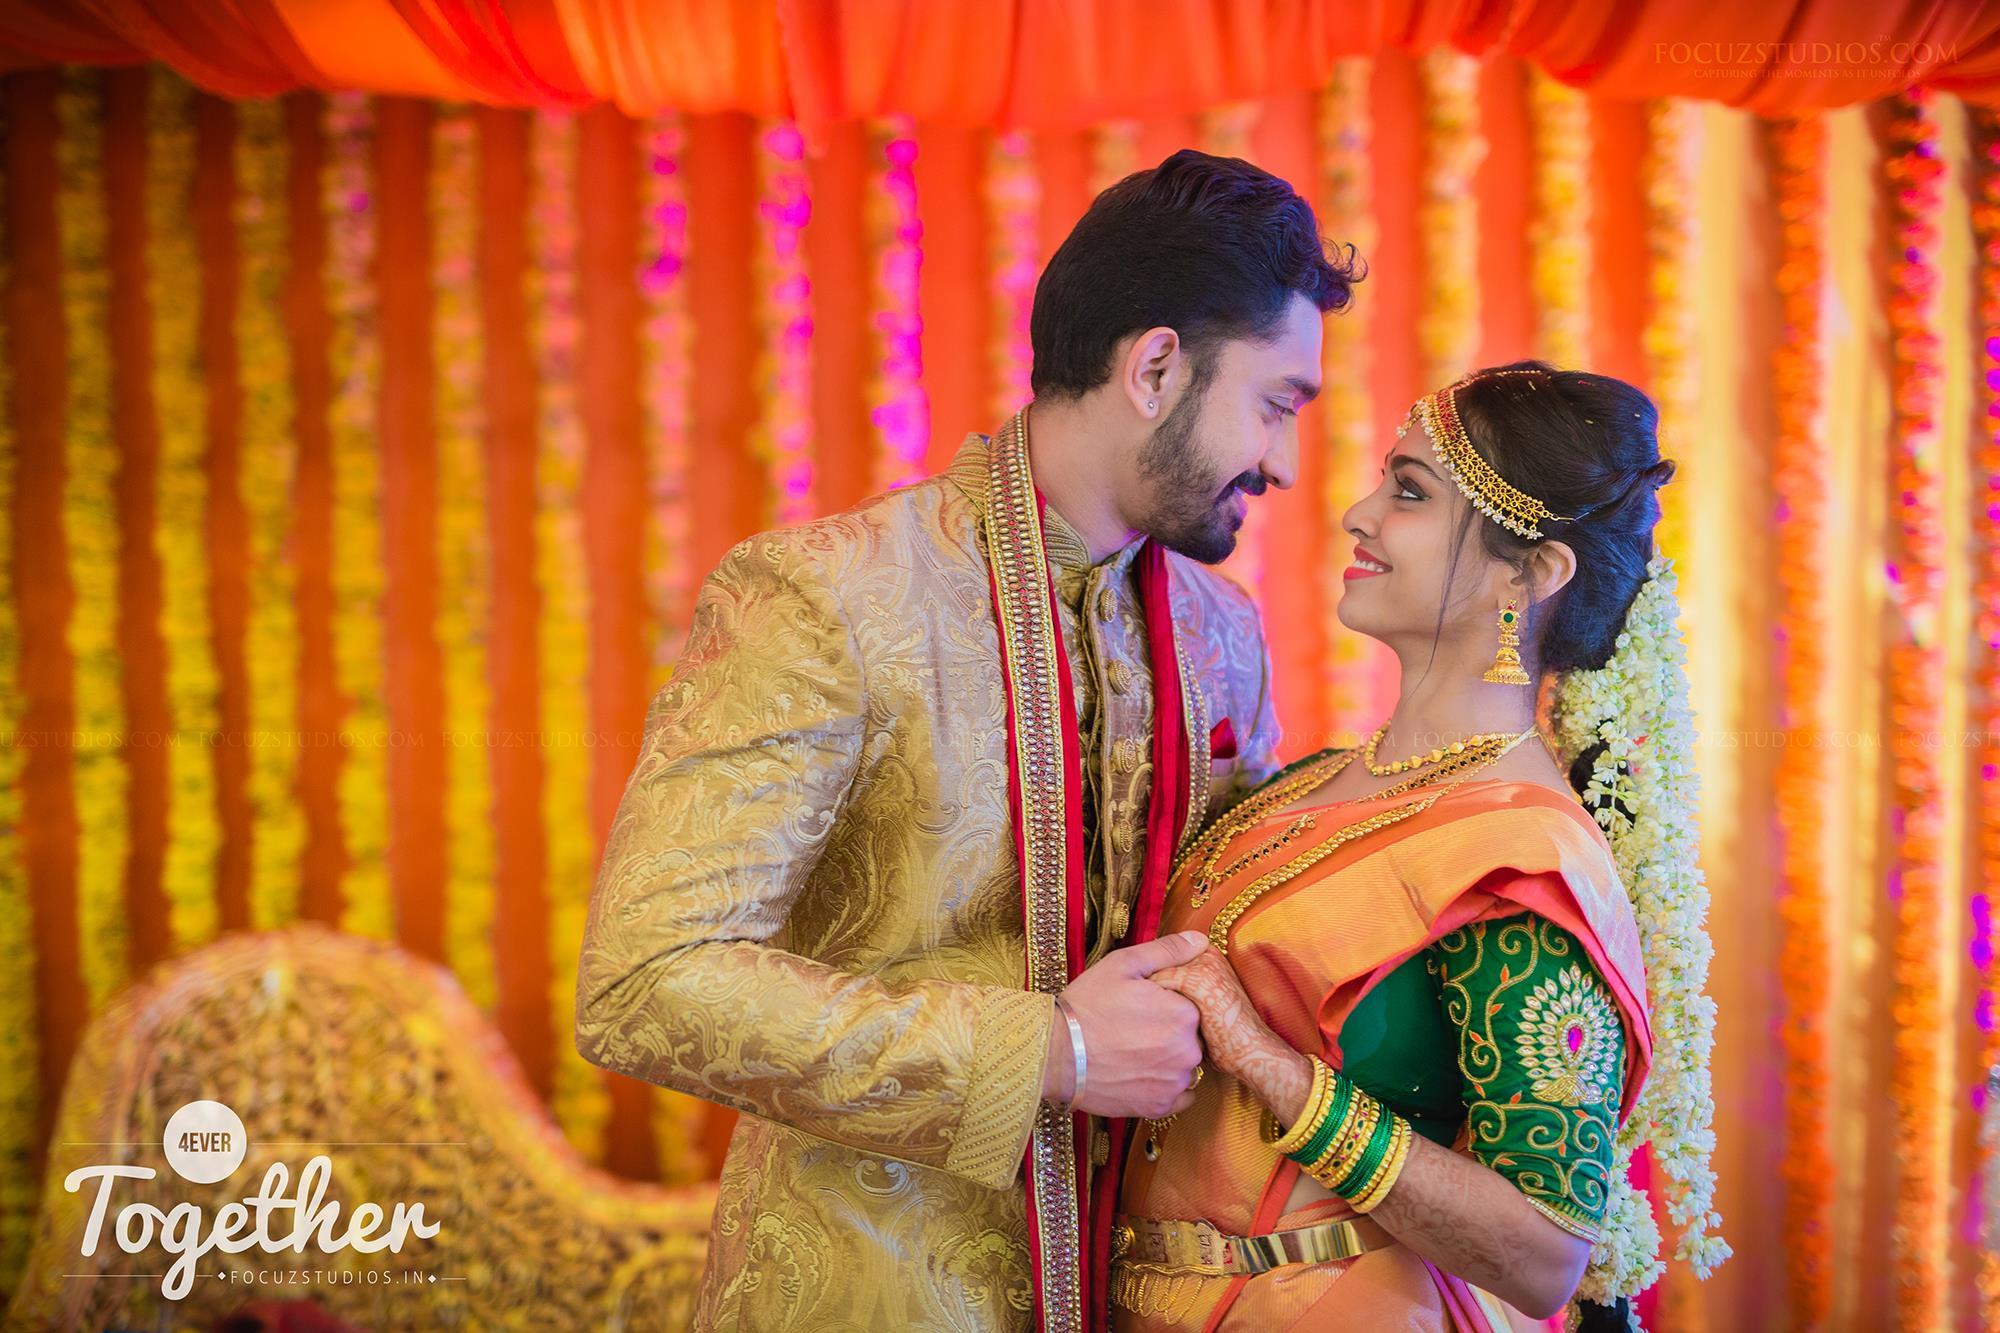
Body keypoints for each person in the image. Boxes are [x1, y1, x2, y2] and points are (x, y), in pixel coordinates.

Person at [573, 148, 1361, 1332]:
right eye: (1274, 403)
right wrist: (1049, 1052)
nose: (1286, 462)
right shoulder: (830, 595)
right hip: (866, 1292)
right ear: (1153, 367)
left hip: (1146, 1293)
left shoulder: (1219, 635)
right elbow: (644, 980)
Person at [1109, 361, 1721, 1330]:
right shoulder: (1313, 780)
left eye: (1407, 493)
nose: (1356, 514)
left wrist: (1262, 1062)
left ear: (1528, 573)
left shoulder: (1519, 857)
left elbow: (1543, 1249)